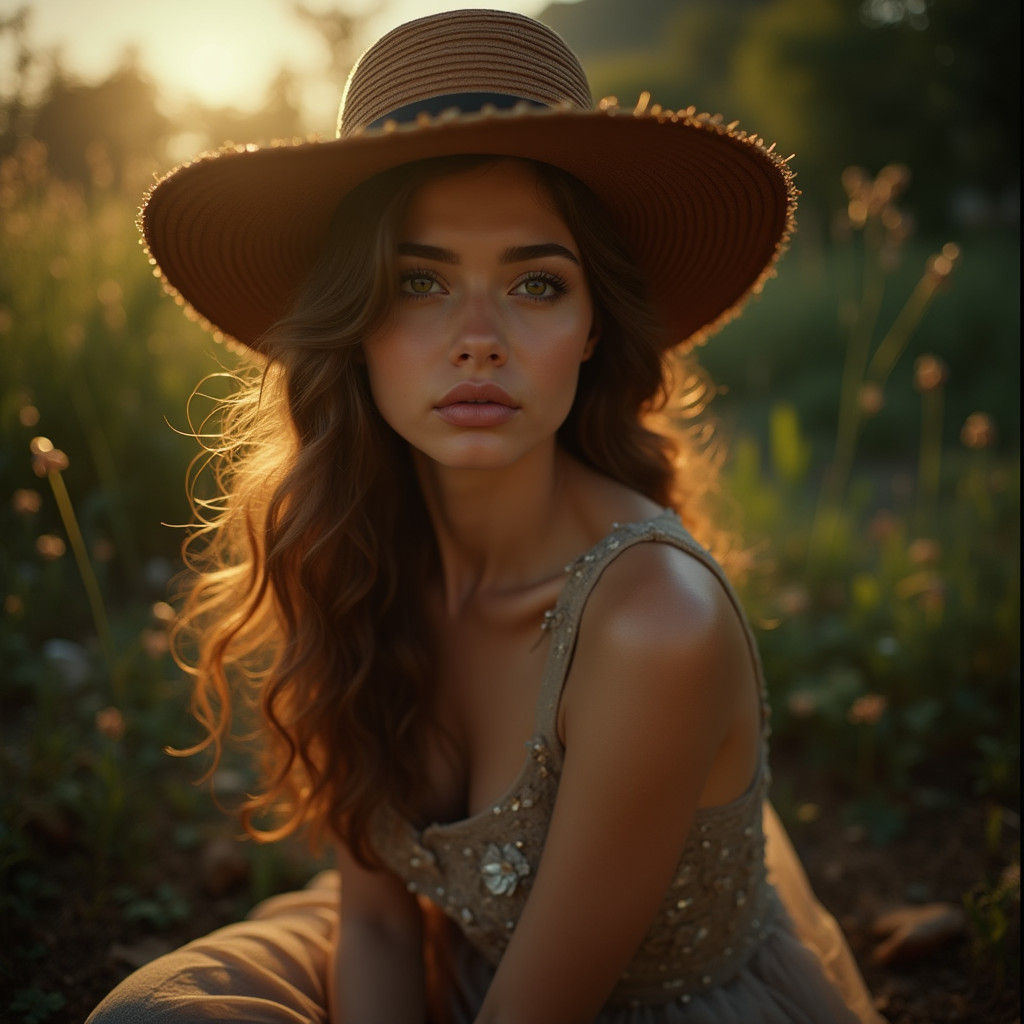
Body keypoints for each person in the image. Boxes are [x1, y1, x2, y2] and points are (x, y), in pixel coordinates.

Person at [89, 9, 884, 1023]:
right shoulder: (350, 543)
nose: (478, 339)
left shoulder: (654, 626)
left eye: (535, 283)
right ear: (354, 323)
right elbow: (378, 920)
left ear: (594, 324)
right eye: (418, 281)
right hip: (444, 945)